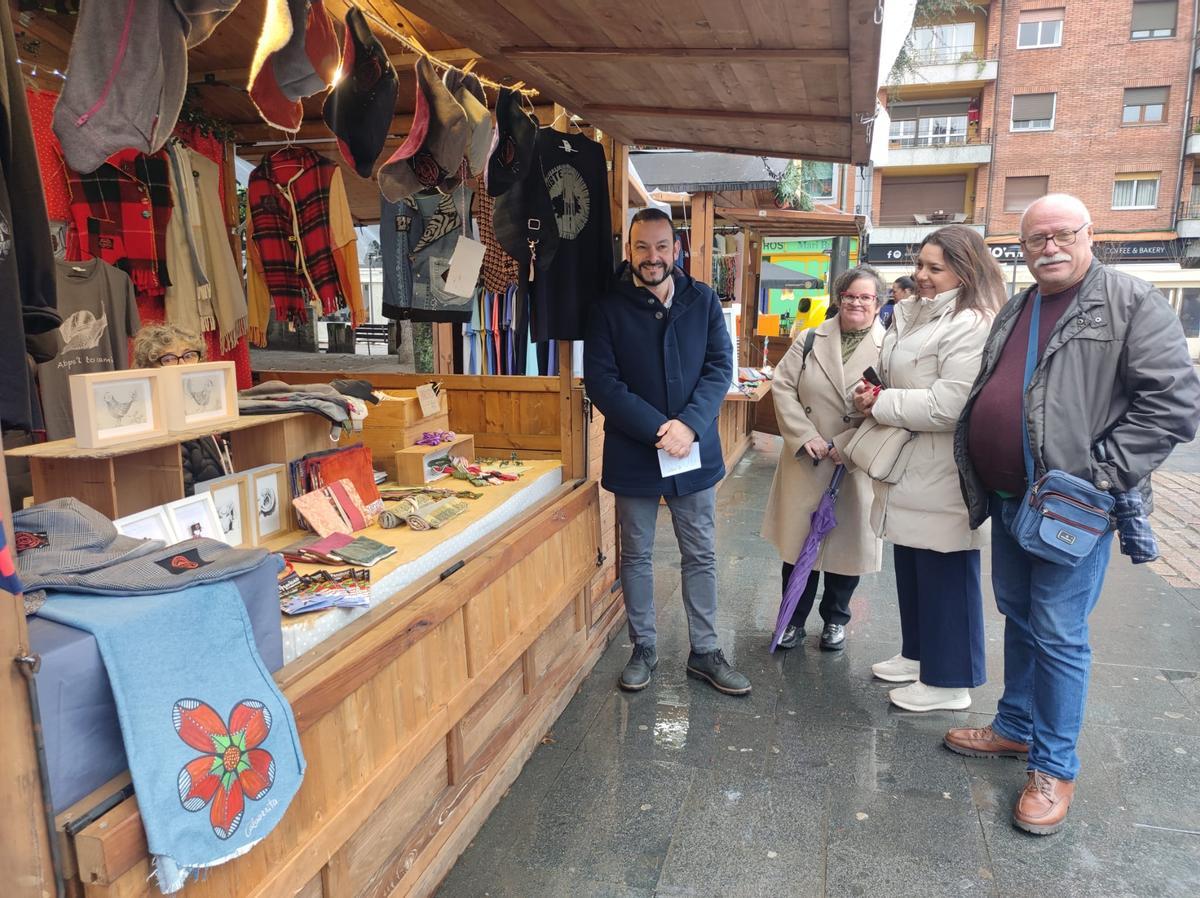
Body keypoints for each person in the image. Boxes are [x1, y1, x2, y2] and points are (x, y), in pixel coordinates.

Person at [945, 194, 1200, 835]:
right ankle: (1015, 727)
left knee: (1059, 632)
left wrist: (1098, 475)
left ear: (1090, 235)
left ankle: (1054, 766)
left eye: (1062, 234)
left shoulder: (1130, 300)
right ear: (1022, 248)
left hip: (1070, 508)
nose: (1049, 247)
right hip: (1010, 501)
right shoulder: (1020, 304)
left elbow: (1172, 406)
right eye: (1035, 239)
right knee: (1022, 617)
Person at [584, 208, 751, 696]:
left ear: (676, 250)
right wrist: (662, 429)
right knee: (635, 554)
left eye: (661, 247)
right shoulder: (607, 307)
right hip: (636, 452)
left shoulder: (702, 300)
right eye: (642, 247)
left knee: (700, 553)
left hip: (693, 452)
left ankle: (705, 651)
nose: (652, 257)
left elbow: (721, 368)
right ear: (630, 250)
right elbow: (603, 383)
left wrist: (691, 426)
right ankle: (644, 648)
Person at [853, 225, 1004, 712]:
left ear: (966, 270)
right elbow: (904, 379)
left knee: (946, 570)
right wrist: (873, 393)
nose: (921, 275)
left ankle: (951, 680)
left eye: (934, 268)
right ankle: (920, 655)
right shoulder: (917, 314)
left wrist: (881, 402)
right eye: (920, 265)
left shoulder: (972, 322)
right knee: (915, 562)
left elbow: (952, 404)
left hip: (943, 468)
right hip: (913, 462)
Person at [762, 266, 886, 652]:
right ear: (839, 298)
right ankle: (792, 620)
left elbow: (893, 403)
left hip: (854, 460)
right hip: (807, 459)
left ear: (877, 303)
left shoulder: (892, 347)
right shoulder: (811, 338)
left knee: (846, 550)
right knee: (800, 545)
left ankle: (836, 619)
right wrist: (806, 435)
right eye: (850, 296)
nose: (856, 303)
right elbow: (782, 388)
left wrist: (844, 444)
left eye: (865, 297)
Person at [132, 324, 230, 495]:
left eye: (189, 355)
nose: (182, 364)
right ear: (150, 367)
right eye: (169, 358)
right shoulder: (152, 420)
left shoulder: (208, 408)